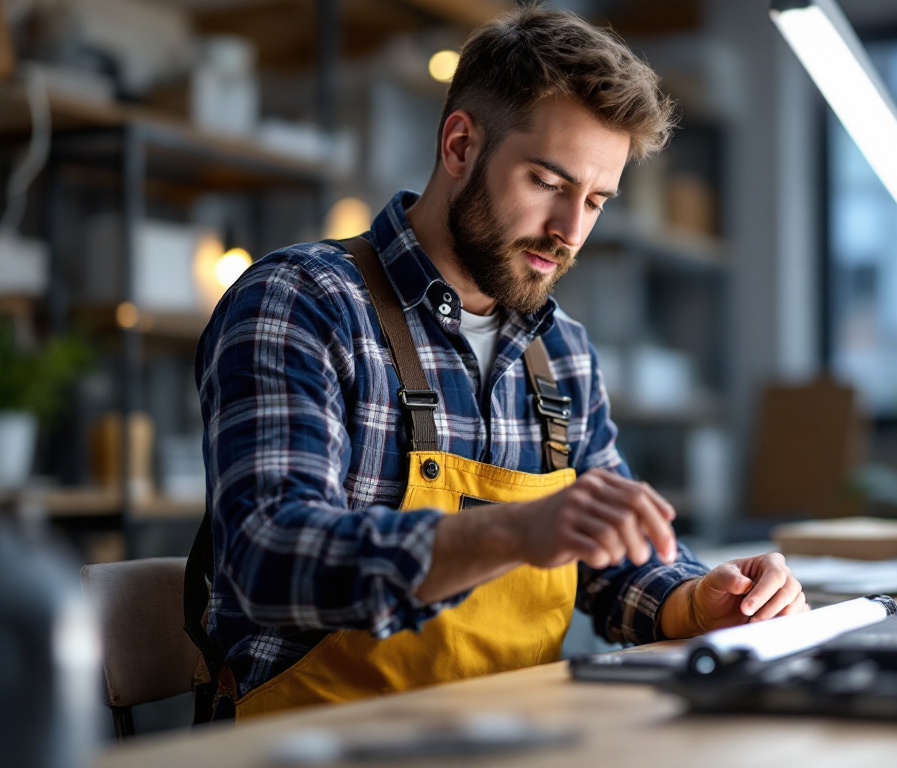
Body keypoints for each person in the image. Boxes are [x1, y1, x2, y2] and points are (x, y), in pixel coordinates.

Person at [186, 6, 806, 722]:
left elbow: (615, 564)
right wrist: (512, 531)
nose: (569, 231)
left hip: (511, 738)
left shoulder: (562, 353)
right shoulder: (302, 303)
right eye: (548, 182)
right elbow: (268, 557)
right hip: (313, 742)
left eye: (595, 201)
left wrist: (698, 599)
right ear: (459, 145)